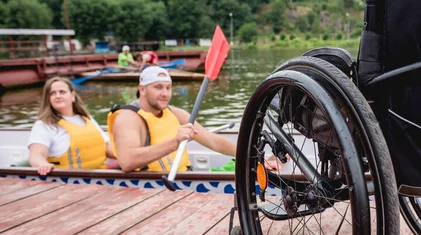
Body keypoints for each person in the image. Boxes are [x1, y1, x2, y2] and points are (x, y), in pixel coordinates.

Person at [107, 67, 282, 173]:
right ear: (142, 89)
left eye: (168, 87)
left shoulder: (175, 113)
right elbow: (127, 161)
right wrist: (174, 142)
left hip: (182, 177)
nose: (165, 93)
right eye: (158, 87)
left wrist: (256, 158)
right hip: (149, 187)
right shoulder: (128, 118)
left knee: (242, 170)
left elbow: (213, 141)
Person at [28, 77, 115, 175]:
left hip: (101, 177)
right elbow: (36, 155)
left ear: (72, 96)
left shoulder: (87, 118)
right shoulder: (44, 125)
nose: (58, 96)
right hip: (69, 183)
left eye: (62, 92)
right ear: (48, 99)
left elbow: (108, 148)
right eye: (52, 93)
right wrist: (43, 164)